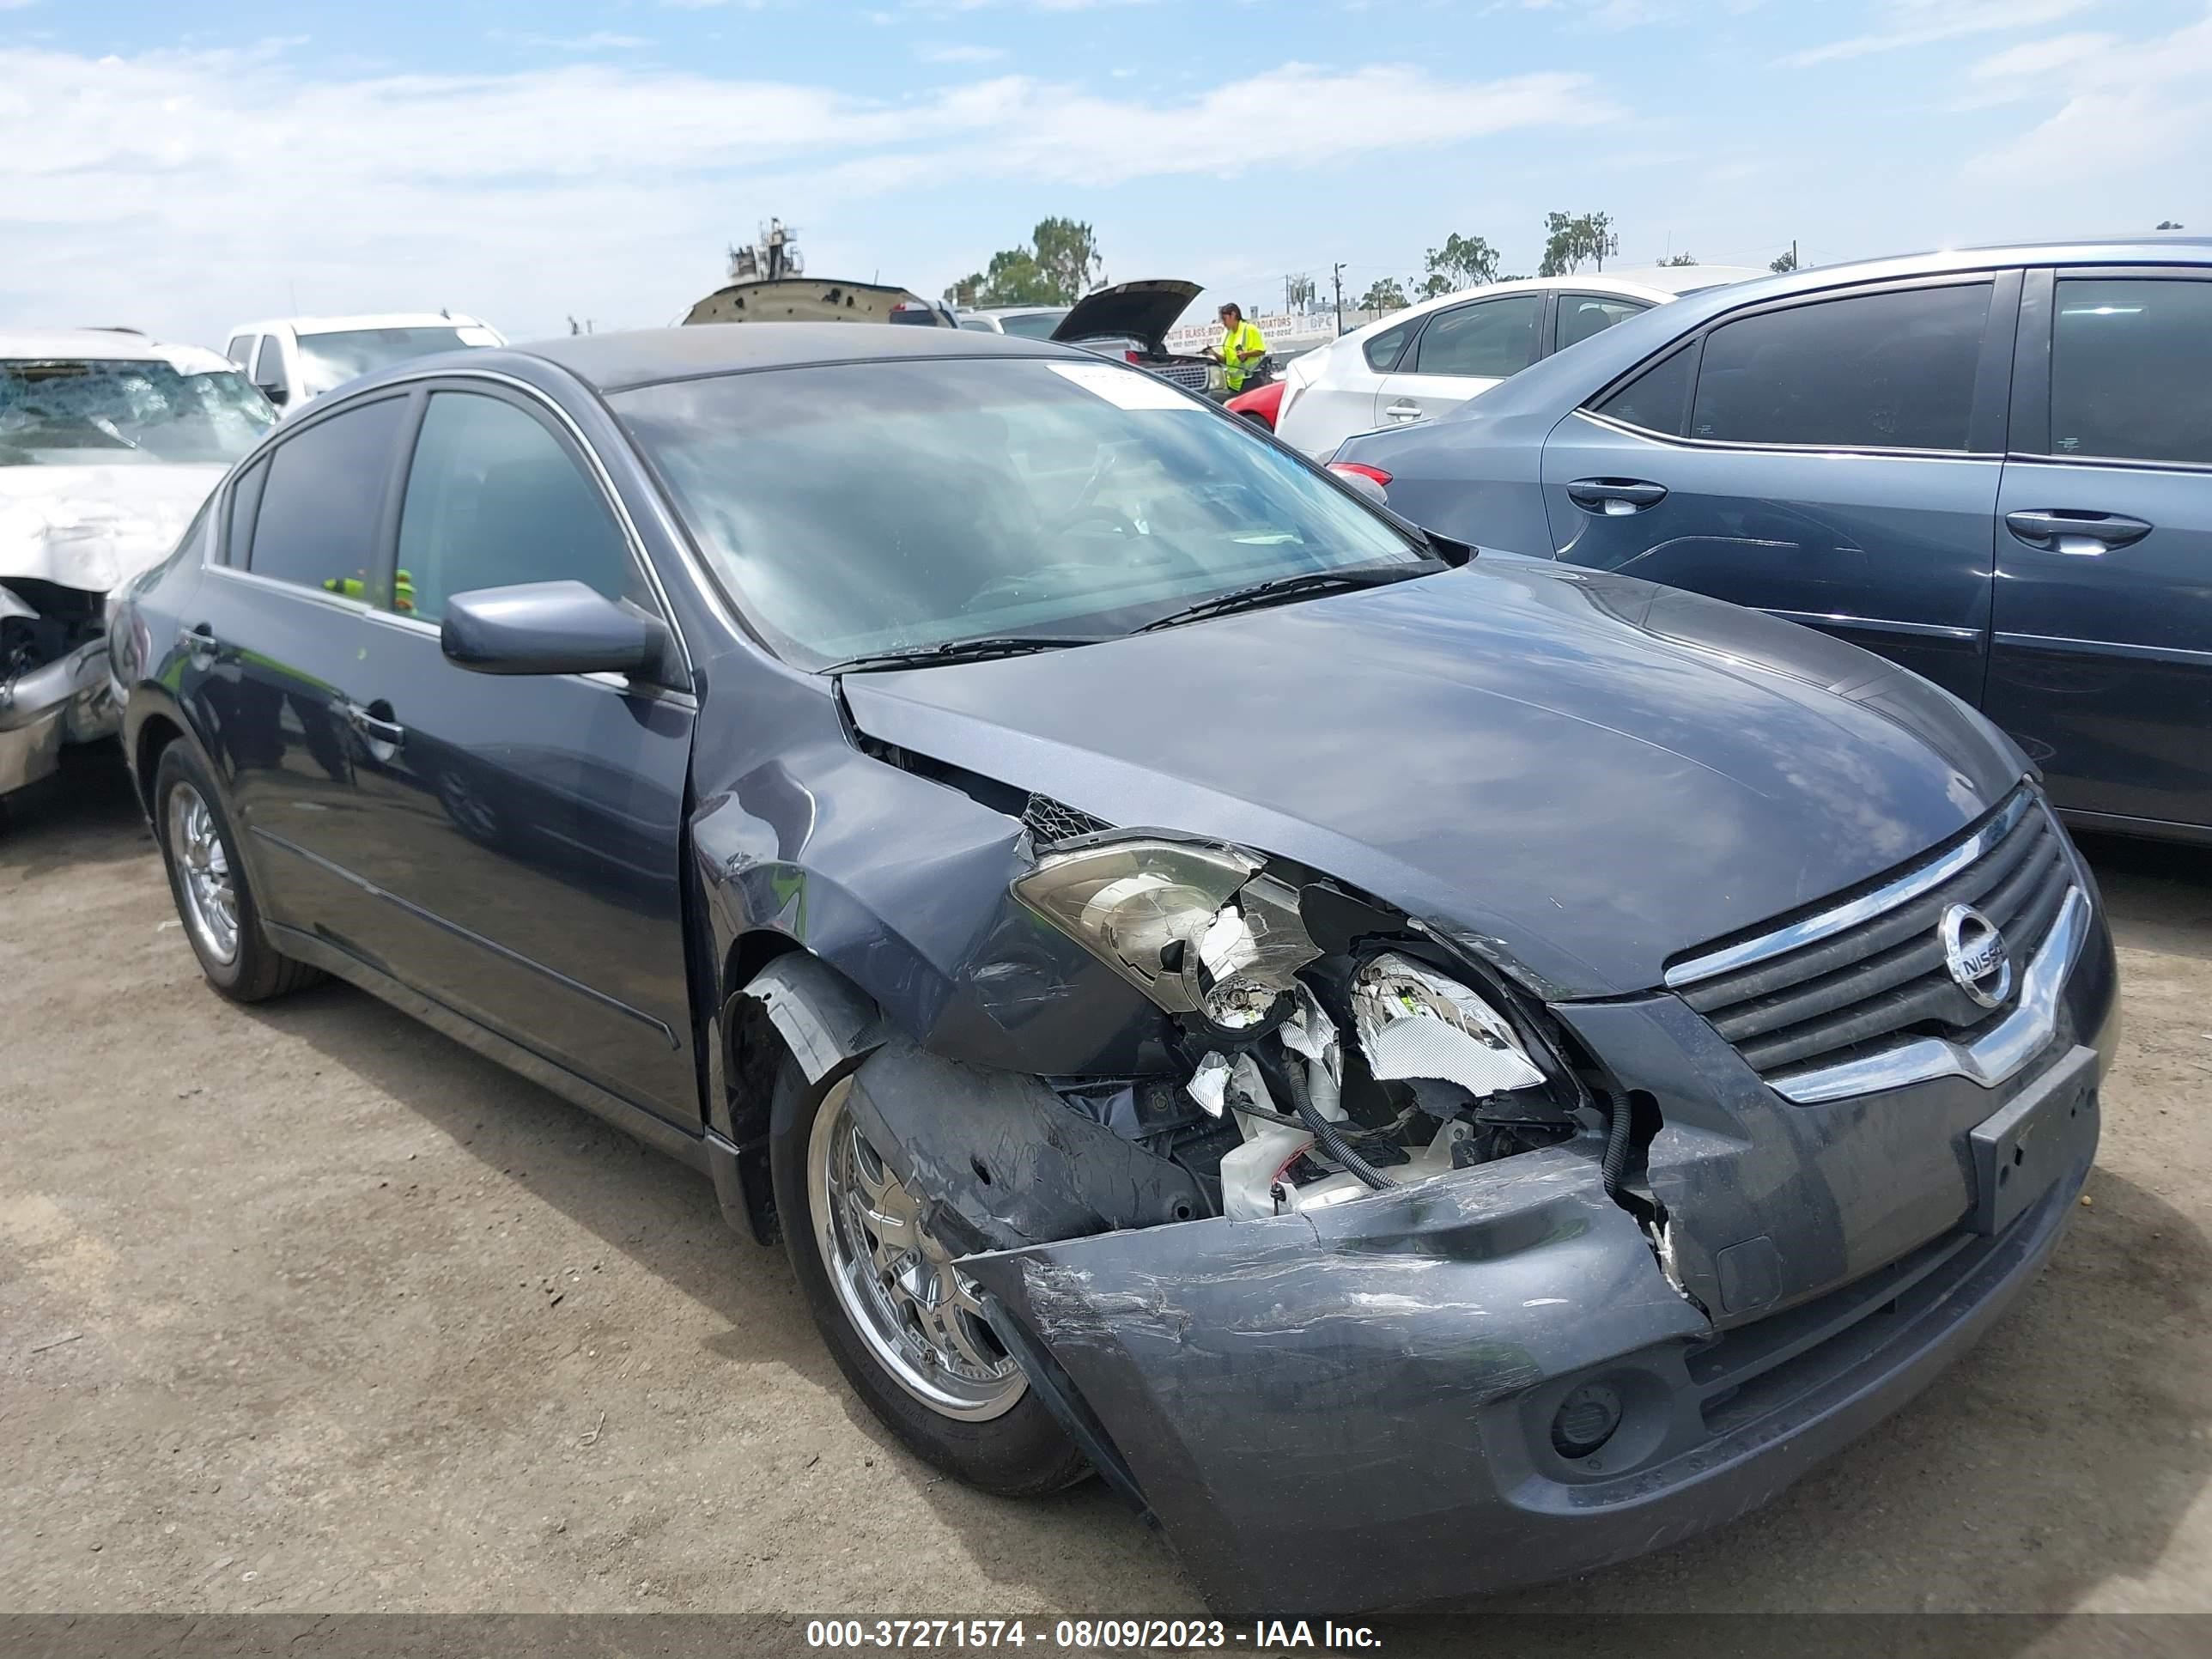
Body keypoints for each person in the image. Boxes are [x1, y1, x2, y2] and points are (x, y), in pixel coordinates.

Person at [1212, 302, 1268, 395]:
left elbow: (1261, 351)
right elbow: (1226, 360)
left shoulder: (1249, 329)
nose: (1223, 323)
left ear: (1233, 315)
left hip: (1249, 382)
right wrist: (1214, 354)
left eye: (1224, 319)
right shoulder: (1226, 335)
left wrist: (1245, 354)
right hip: (1232, 384)